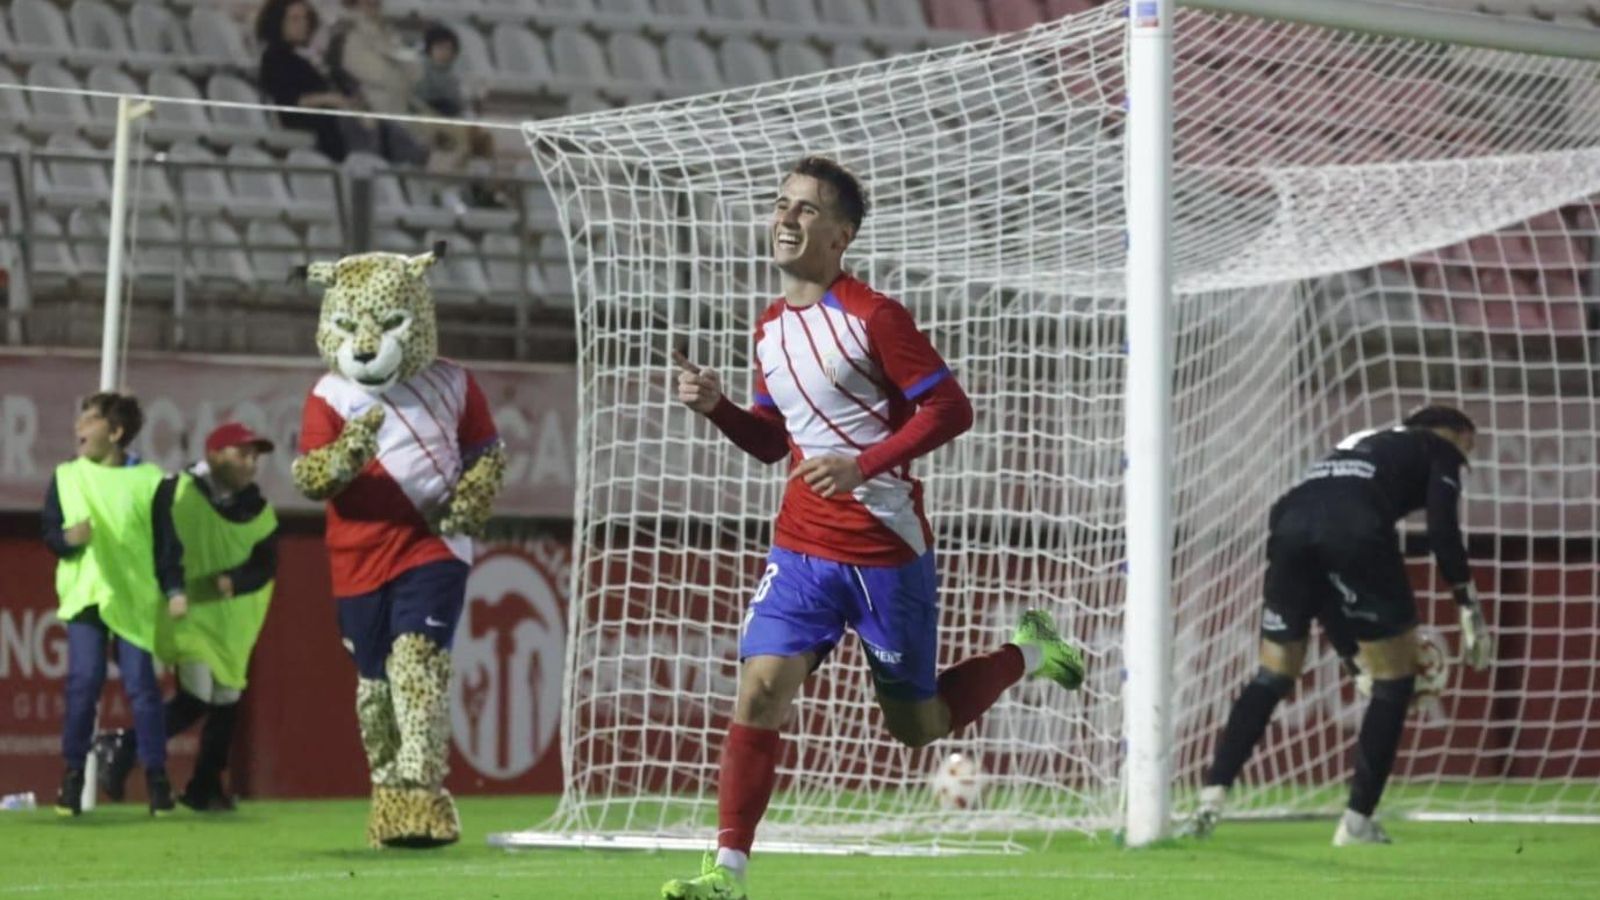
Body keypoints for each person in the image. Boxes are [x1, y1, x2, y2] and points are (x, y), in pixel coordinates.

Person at [660, 156, 1086, 900]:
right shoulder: (768, 328)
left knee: (918, 725)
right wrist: (717, 407)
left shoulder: (875, 315)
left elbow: (951, 408)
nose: (786, 217)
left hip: (886, 550)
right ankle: (727, 873)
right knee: (760, 691)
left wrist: (861, 465)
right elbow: (770, 442)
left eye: (807, 209)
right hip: (801, 549)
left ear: (841, 235)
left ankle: (1028, 652)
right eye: (781, 203)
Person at [1185, 405, 1493, 845]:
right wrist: (1467, 603)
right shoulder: (1436, 446)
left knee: (1273, 673)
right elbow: (1443, 528)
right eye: (1469, 445)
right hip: (1355, 526)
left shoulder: (1362, 443)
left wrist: (1352, 659)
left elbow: (1326, 590)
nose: (1467, 458)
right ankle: (1357, 823)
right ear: (1453, 432)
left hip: (1289, 523)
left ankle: (1209, 801)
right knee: (1395, 680)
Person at [99, 422, 280, 812]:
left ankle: (205, 785)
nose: (250, 463)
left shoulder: (259, 511)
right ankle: (125, 746)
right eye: (241, 453)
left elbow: (266, 566)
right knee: (198, 696)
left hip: (231, 622)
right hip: (184, 610)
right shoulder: (175, 491)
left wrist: (237, 580)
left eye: (254, 456)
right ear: (214, 455)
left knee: (226, 699)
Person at [41, 392, 187, 817]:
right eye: (80, 419)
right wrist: (67, 540)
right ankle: (71, 780)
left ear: (116, 432)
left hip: (134, 598)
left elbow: (165, 542)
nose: (79, 429)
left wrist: (175, 589)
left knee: (143, 690)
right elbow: (50, 531)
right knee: (83, 684)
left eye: (89, 421)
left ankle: (157, 780)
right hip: (86, 594)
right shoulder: (66, 476)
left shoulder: (149, 480)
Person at [256, 0, 368, 162]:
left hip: (335, 112)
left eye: (305, 19)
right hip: (309, 119)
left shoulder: (310, 56)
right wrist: (332, 99)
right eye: (295, 19)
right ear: (278, 22)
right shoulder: (274, 58)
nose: (303, 24)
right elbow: (288, 100)